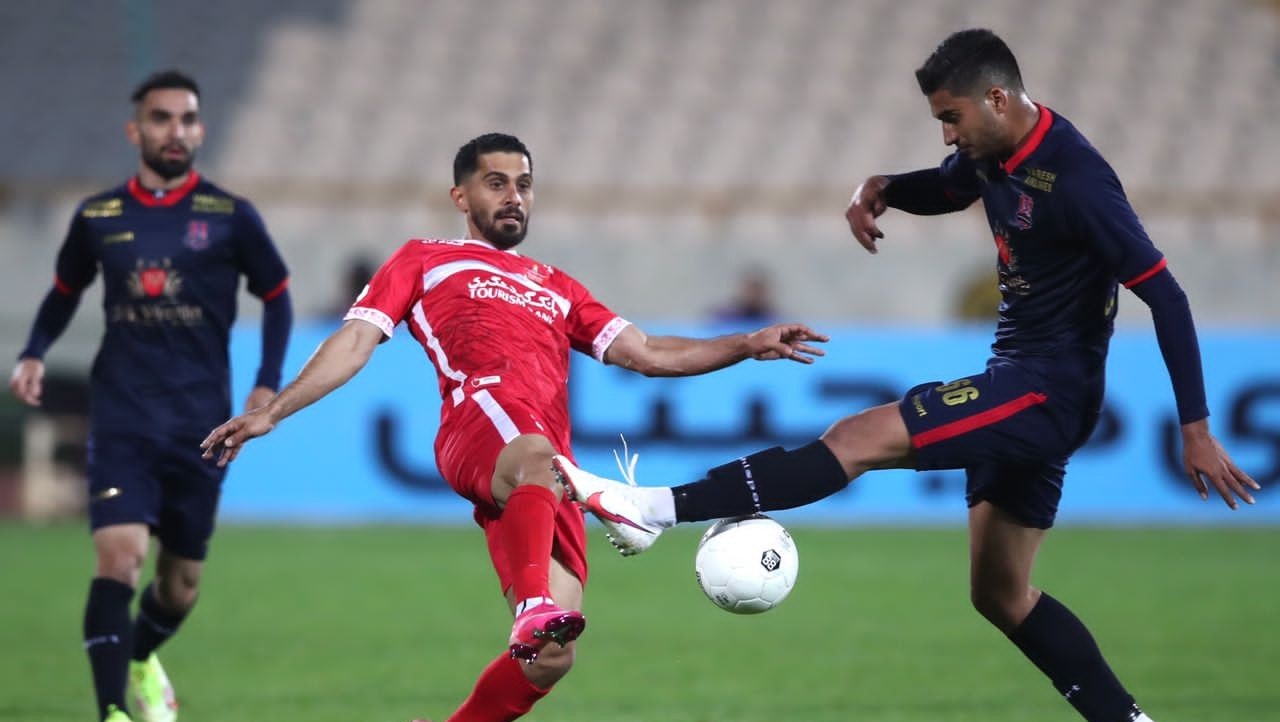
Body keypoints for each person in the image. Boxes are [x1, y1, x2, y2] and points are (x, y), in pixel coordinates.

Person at [554, 29, 1260, 722]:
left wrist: (1195, 429)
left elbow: (1166, 295)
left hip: (1046, 390)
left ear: (997, 98)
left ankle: (652, 509)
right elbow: (947, 188)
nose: (947, 135)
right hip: (1022, 380)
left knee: (856, 438)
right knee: (1001, 595)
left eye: (952, 117)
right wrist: (883, 188)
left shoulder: (1076, 179)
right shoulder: (994, 152)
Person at [198, 132, 827, 722]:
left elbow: (648, 353)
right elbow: (357, 339)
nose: (513, 197)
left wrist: (746, 343)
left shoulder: (556, 286)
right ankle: (532, 602)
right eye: (496, 183)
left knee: (551, 656)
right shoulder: (425, 259)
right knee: (539, 479)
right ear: (460, 196)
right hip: (481, 425)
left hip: (549, 475)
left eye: (523, 185)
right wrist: (273, 410)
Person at [8, 70, 293, 722]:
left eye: (186, 118)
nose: (175, 130)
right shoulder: (99, 216)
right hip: (123, 417)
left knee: (181, 585)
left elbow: (277, 296)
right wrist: (33, 350)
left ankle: (138, 655)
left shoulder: (230, 216)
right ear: (135, 130)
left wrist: (266, 383)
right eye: (161, 118)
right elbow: (64, 290)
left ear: (201, 129)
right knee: (120, 556)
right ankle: (113, 711)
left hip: (202, 423)